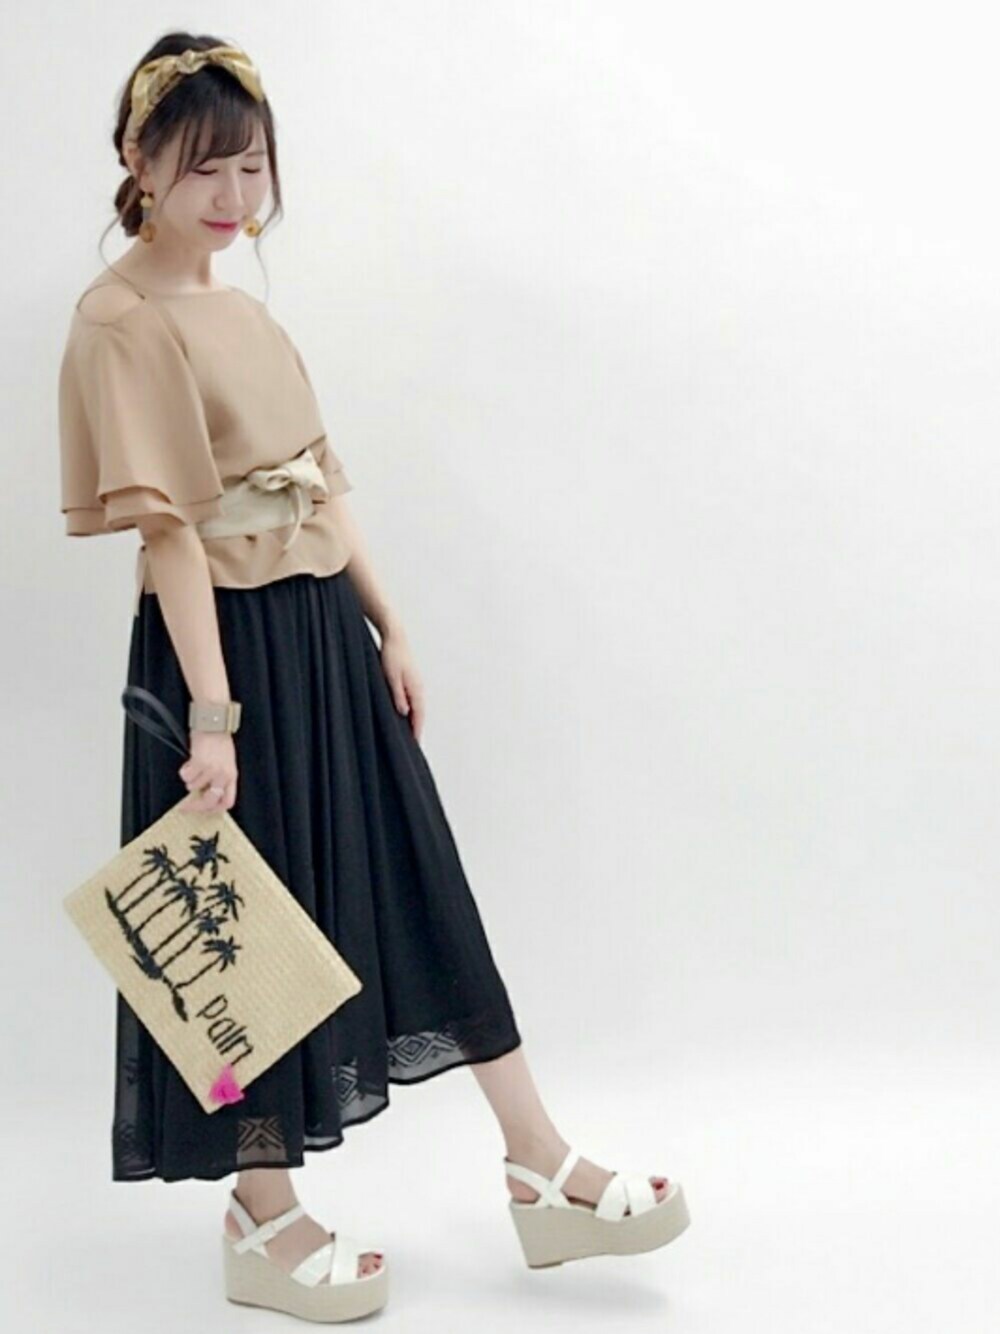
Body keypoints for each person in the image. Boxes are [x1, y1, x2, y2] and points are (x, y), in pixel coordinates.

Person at [57, 32, 687, 1321]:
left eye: (250, 167)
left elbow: (321, 479)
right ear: (137, 162)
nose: (233, 197)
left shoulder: (245, 308)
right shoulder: (118, 322)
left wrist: (386, 620)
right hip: (220, 652)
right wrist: (214, 716)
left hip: (318, 632)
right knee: (243, 939)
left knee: (414, 877)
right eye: (204, 170)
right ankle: (263, 1210)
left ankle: (538, 1164)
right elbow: (171, 535)